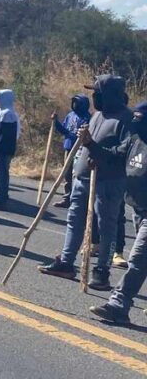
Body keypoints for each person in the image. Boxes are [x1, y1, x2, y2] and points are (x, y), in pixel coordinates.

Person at [40, 75, 131, 290]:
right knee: (74, 220)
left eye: (97, 93)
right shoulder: (98, 115)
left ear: (108, 95)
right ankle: (66, 262)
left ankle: (101, 271)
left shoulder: (126, 120)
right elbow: (88, 144)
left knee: (106, 226)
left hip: (108, 182)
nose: (93, 97)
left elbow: (123, 153)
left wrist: (95, 149)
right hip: (83, 179)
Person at [90, 102, 147, 325]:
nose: (135, 122)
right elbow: (114, 155)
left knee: (138, 259)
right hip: (138, 208)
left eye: (141, 119)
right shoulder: (134, 139)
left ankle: (118, 305)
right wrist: (91, 147)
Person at [52, 95, 92, 208]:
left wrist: (69, 134)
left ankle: (77, 199)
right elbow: (64, 130)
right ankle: (67, 197)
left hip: (80, 150)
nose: (75, 104)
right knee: (67, 174)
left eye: (77, 102)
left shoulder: (87, 118)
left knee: (77, 175)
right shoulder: (70, 115)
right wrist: (55, 122)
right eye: (74, 102)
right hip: (68, 148)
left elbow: (79, 135)